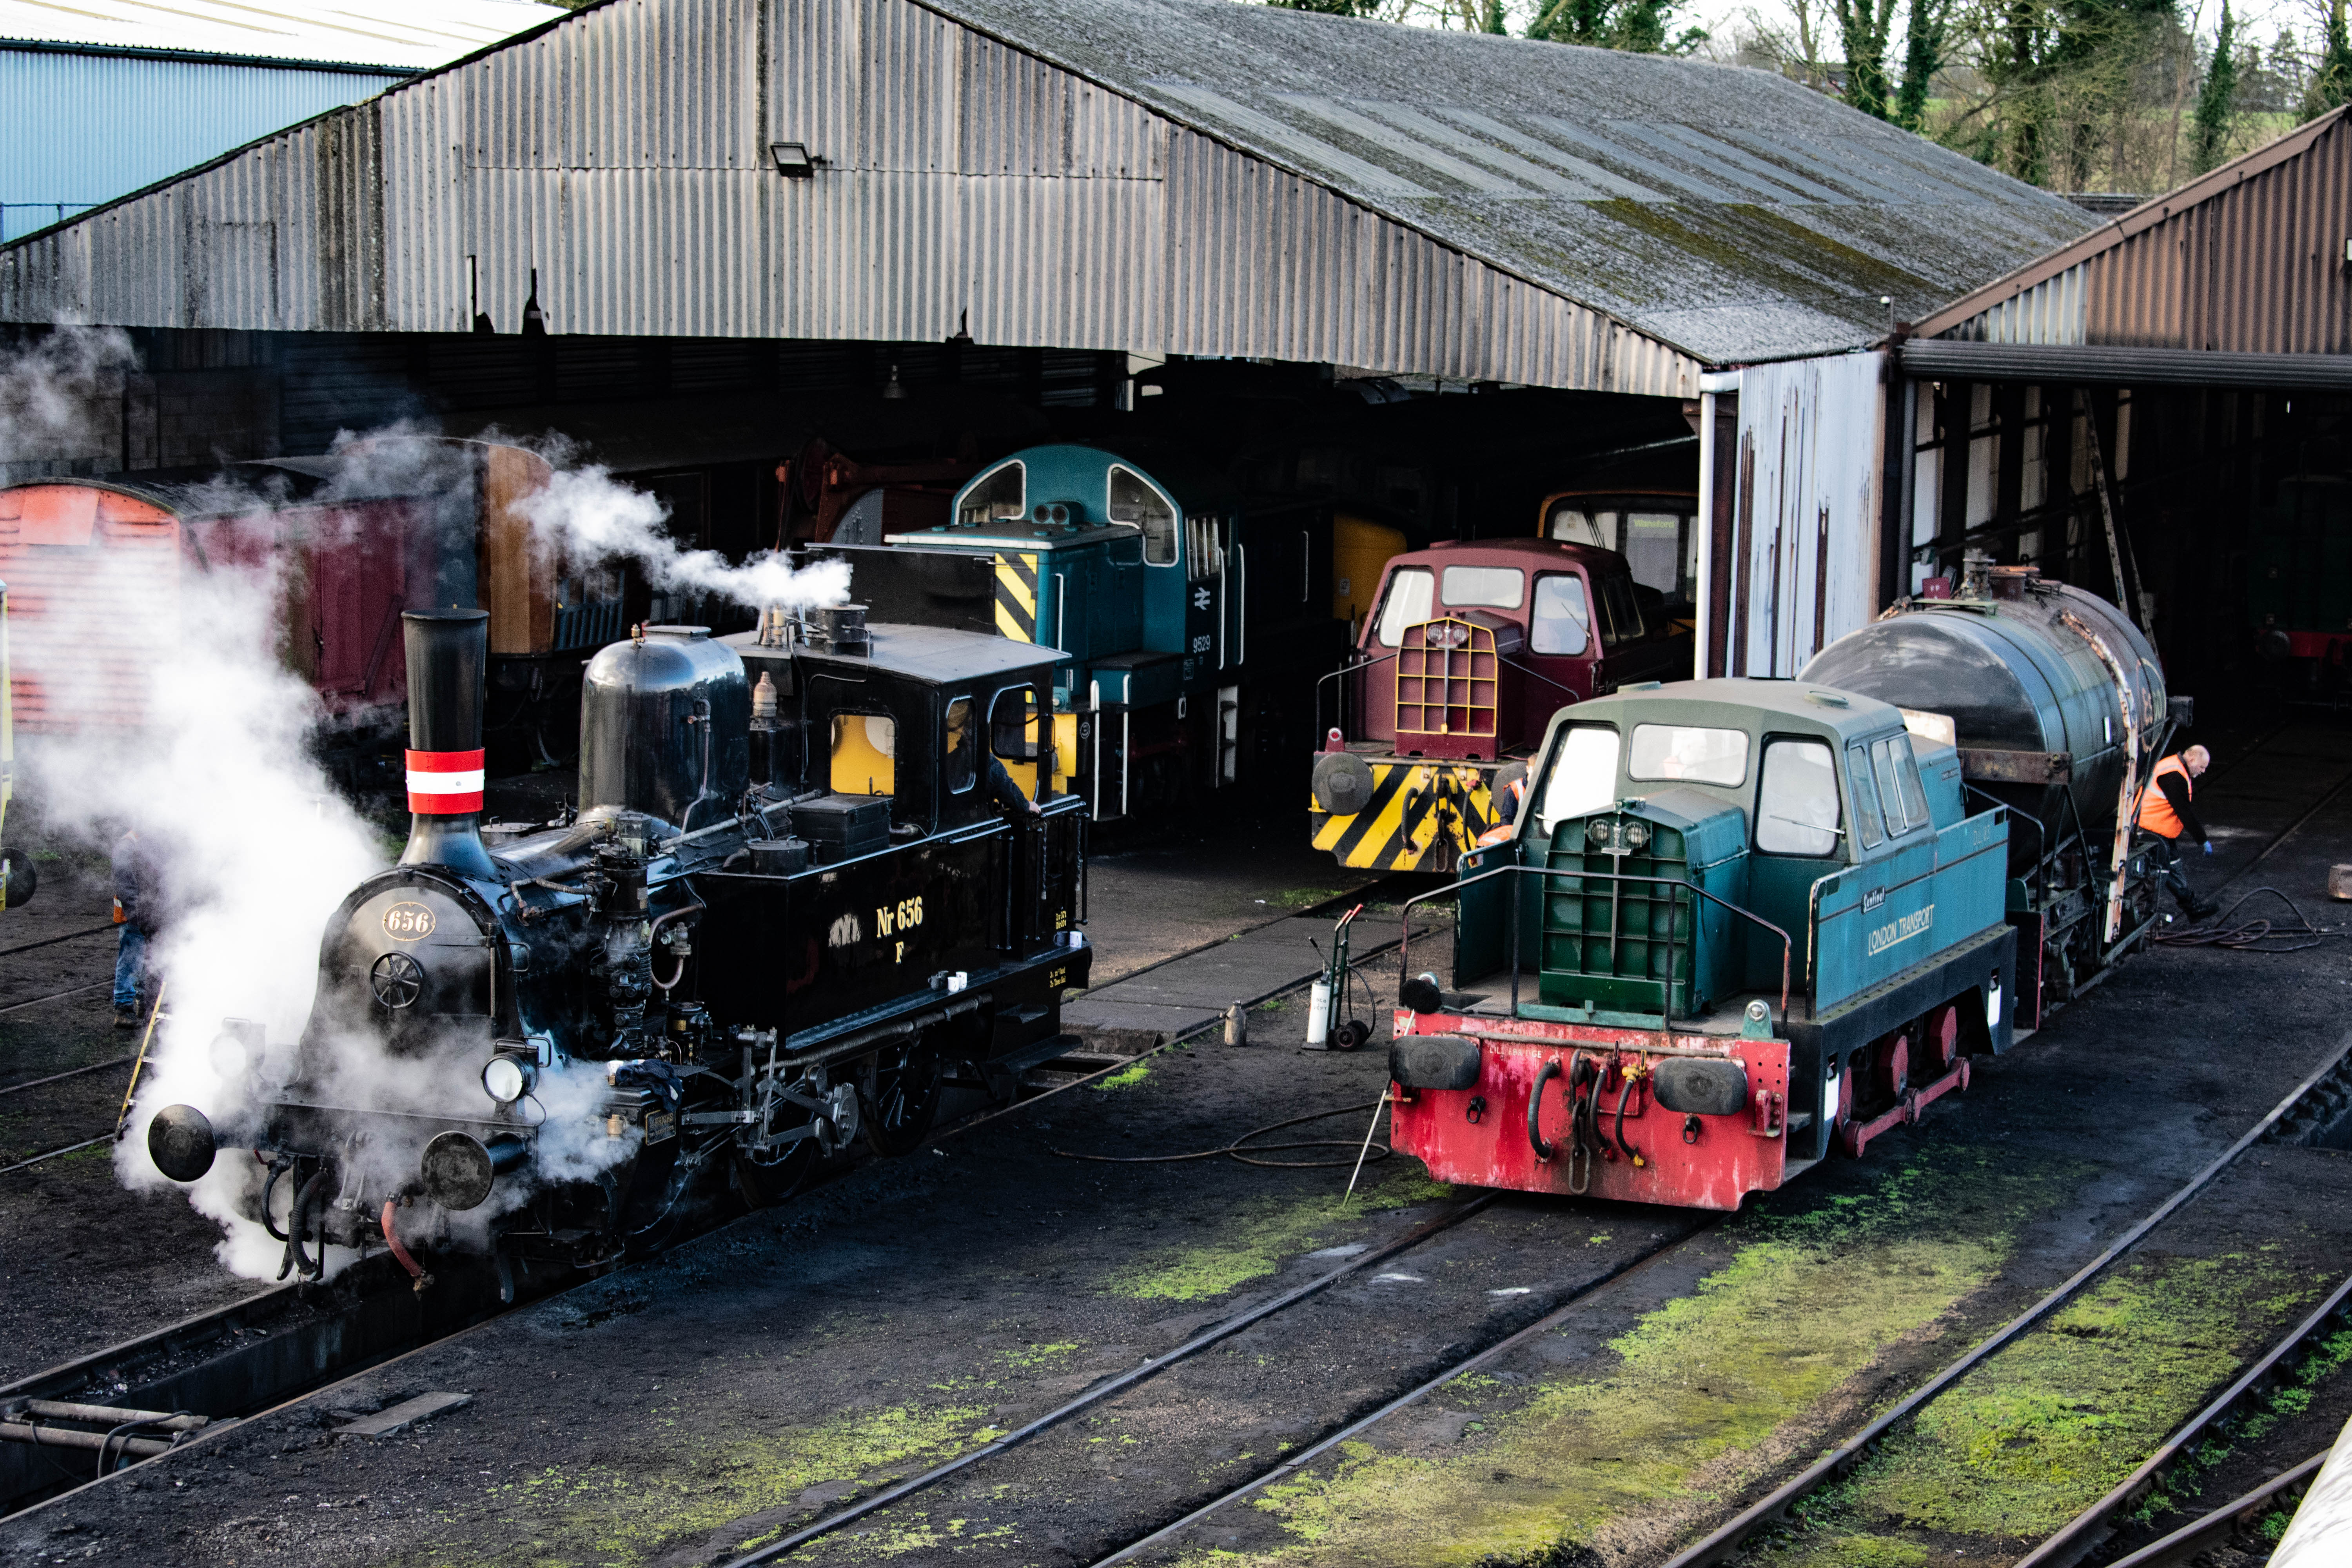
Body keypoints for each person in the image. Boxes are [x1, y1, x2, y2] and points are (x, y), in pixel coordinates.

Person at [2137, 744, 2217, 920]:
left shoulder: (2178, 769)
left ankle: (2192, 908)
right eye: (2202, 767)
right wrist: (2202, 839)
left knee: (2174, 867)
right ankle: (2141, 917)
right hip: (2150, 829)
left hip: (2162, 830)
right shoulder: (2174, 776)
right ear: (2192, 760)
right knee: (2157, 874)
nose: (2203, 771)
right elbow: (2184, 811)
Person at [111, 826, 156, 1029]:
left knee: (145, 958)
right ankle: (123, 1008)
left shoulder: (140, 845)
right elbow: (126, 887)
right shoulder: (126, 848)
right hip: (132, 915)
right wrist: (138, 914)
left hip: (144, 912)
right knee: (131, 958)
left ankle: (143, 1003)